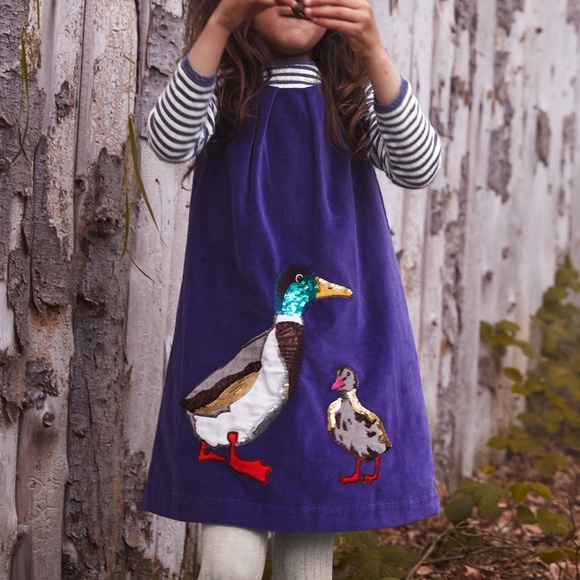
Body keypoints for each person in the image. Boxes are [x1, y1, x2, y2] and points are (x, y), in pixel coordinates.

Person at [143, 0, 442, 577]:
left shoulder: (351, 98)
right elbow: (169, 141)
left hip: (338, 335)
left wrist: (373, 50)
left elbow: (419, 166)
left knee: (311, 521)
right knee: (228, 537)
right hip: (232, 329)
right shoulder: (224, 92)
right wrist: (221, 24)